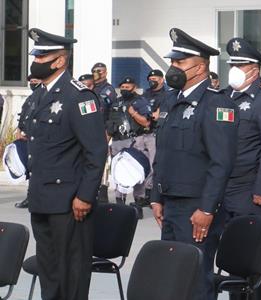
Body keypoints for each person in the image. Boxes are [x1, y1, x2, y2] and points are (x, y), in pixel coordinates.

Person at [150, 28, 238, 300]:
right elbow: (163, 153)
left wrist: (207, 208)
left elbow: (221, 162)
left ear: (200, 68)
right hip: (170, 204)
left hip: (196, 208)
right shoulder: (169, 100)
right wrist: (156, 196)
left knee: (196, 280)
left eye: (180, 63)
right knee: (172, 278)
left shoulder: (215, 104)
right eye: (173, 62)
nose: (173, 68)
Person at [25, 28, 107, 300]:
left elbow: (96, 151)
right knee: (49, 271)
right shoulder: (39, 95)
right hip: (41, 197)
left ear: (60, 60)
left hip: (69, 202)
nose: (36, 59)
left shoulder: (79, 96)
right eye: (35, 54)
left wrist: (84, 196)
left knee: (71, 272)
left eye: (42, 55)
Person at [220, 37, 261, 300]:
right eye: (233, 63)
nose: (235, 68)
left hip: (248, 189)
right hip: (222, 187)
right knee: (229, 255)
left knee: (251, 256)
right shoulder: (223, 96)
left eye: (241, 64)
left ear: (255, 69)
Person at [106, 76, 152, 217]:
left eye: (128, 86)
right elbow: (109, 125)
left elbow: (146, 123)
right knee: (118, 173)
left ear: (134, 87)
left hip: (134, 140)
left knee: (136, 173)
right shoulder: (116, 103)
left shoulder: (140, 101)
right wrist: (105, 143)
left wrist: (134, 113)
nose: (125, 89)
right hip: (117, 141)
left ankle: (138, 204)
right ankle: (120, 204)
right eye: (123, 87)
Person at [13, 74, 42, 209]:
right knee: (30, 169)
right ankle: (31, 197)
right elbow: (24, 115)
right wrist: (19, 130)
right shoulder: (31, 98)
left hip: (37, 139)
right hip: (27, 137)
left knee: (37, 170)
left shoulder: (44, 95)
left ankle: (35, 198)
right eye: (31, 80)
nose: (32, 82)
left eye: (35, 80)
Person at [92, 62, 116, 203]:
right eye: (94, 70)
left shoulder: (108, 90)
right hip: (90, 132)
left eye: (100, 71)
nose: (97, 73)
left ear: (105, 72)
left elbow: (113, 114)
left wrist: (108, 134)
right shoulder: (91, 88)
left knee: (102, 164)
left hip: (103, 132)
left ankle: (103, 191)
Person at [139, 69, 165, 203]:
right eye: (150, 79)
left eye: (155, 79)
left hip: (155, 134)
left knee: (154, 165)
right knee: (141, 164)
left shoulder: (166, 95)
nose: (152, 81)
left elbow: (158, 115)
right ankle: (143, 194)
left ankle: (151, 194)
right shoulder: (145, 94)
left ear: (162, 79)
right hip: (142, 132)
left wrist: (153, 115)